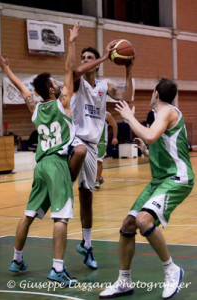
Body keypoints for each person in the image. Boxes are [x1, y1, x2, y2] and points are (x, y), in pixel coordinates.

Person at [0, 22, 81, 285]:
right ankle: (57, 268)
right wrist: (71, 41)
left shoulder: (35, 109)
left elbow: (22, 89)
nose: (60, 83)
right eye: (56, 83)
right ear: (52, 90)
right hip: (56, 164)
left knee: (29, 214)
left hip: (40, 165)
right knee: (62, 217)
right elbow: (69, 70)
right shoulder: (63, 103)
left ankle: (17, 258)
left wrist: (5, 68)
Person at [99, 78, 194, 299]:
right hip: (160, 179)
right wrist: (146, 151)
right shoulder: (160, 117)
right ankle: (124, 280)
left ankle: (172, 269)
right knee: (129, 223)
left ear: (156, 94)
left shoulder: (168, 112)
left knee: (143, 220)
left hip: (178, 178)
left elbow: (150, 136)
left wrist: (130, 118)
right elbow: (157, 144)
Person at [68, 43, 134, 269]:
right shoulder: (77, 82)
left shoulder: (104, 86)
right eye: (83, 57)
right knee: (71, 187)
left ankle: (86, 244)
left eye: (89, 58)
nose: (85, 60)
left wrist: (128, 69)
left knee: (87, 197)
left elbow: (127, 95)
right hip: (75, 141)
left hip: (93, 146)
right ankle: (63, 185)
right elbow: (76, 71)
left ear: (95, 64)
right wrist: (104, 56)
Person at [95, 111, 118, 189]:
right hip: (91, 140)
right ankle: (99, 177)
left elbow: (114, 125)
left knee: (99, 161)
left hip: (102, 141)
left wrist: (114, 137)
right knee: (90, 162)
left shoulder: (107, 114)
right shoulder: (88, 112)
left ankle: (97, 180)